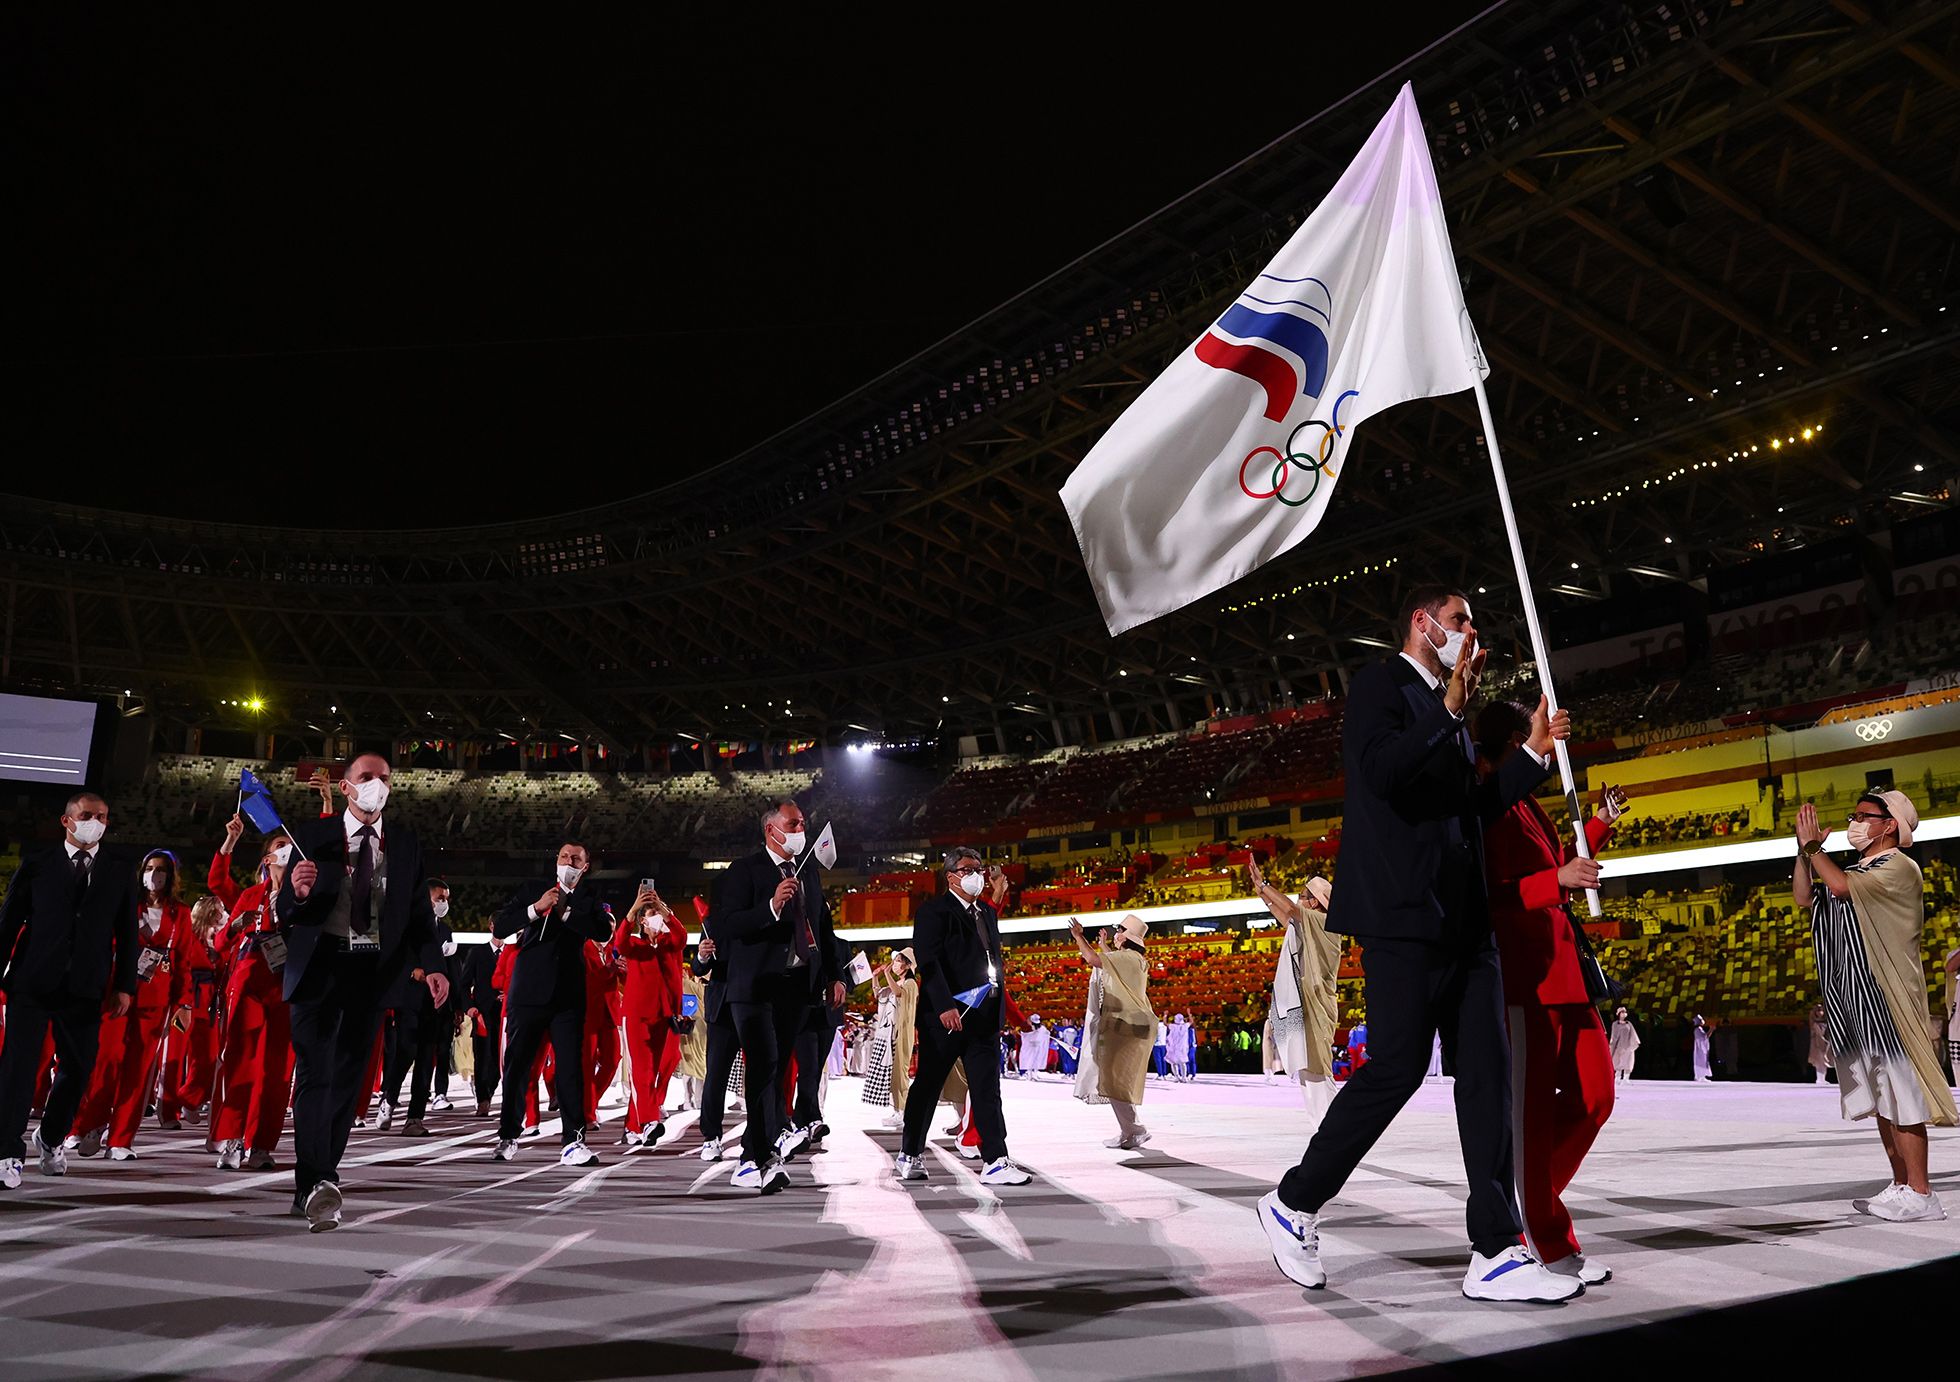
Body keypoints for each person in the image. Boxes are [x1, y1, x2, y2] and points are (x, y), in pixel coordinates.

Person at [1256, 585, 1580, 1303]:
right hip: (1402, 915)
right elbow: (1381, 773)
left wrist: (1531, 754)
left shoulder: (1445, 710)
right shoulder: (1383, 685)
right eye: (1460, 620)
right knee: (1396, 1071)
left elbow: (1468, 808)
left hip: (1464, 919)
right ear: (1421, 621)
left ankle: (1495, 1248)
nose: (1470, 633)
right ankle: (1294, 1200)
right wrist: (1450, 709)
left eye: (1473, 624)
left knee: (1488, 1075)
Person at [1477, 699, 1626, 1285]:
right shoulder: (1485, 803)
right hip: (1526, 978)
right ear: (1512, 743)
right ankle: (1544, 1238)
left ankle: (1531, 1200)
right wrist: (1555, 881)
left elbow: (1561, 867)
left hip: (1565, 974)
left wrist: (1600, 823)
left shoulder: (1527, 803)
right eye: (1532, 738)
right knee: (1531, 1119)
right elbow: (1490, 896)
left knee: (1596, 1098)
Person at [276, 752, 446, 1230]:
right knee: (315, 1075)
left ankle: (316, 1181)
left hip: (373, 972)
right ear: (346, 787)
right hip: (320, 968)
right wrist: (298, 894)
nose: (377, 785)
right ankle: (317, 1181)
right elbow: (286, 909)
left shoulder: (405, 843)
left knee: (348, 1082)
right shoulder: (313, 836)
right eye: (367, 777)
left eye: (384, 778)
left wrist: (434, 966)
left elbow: (419, 915)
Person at [1793, 791, 1957, 1221]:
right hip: (1854, 997)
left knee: (1901, 1094)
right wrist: (1803, 852)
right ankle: (1901, 1185)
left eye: (1864, 816)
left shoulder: (1898, 867)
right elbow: (1805, 898)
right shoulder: (1854, 869)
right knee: (1883, 1096)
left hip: (1886, 997)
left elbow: (1839, 887)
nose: (1856, 823)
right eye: (1855, 815)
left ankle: (1922, 1192)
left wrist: (1815, 848)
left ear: (1890, 824)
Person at [0, 791, 139, 1190]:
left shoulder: (119, 869)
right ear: (67, 820)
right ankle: (7, 1152)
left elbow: (127, 933)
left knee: (78, 1069)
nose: (96, 822)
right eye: (88, 815)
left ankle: (51, 1136)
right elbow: (8, 923)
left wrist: (124, 985)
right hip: (32, 981)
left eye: (103, 816)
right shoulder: (37, 863)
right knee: (18, 1069)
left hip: (85, 986)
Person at [707, 800, 844, 1192]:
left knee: (777, 1069)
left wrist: (835, 975)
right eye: (794, 823)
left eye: (802, 823)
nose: (802, 829)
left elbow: (823, 926)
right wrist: (770, 906)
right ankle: (761, 1158)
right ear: (772, 830)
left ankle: (754, 1154)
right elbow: (727, 925)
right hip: (753, 987)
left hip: (796, 986)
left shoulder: (808, 872)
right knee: (764, 1065)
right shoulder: (744, 870)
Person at [895, 846, 1030, 1187]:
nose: (976, 875)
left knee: (987, 1089)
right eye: (968, 869)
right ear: (951, 876)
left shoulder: (986, 913)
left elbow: (992, 961)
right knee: (928, 1085)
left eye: (979, 869)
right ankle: (910, 1152)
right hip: (946, 1017)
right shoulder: (933, 911)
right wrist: (944, 1005)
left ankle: (995, 1159)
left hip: (983, 1015)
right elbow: (928, 961)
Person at [490, 841, 611, 1167]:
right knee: (517, 1067)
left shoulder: (589, 897)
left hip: (568, 996)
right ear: (556, 860)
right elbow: (502, 925)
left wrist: (567, 912)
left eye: (576, 859)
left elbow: (603, 931)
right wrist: (536, 907)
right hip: (528, 992)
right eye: (564, 857)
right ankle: (508, 1135)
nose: (569, 862)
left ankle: (573, 1141)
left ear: (585, 866)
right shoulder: (534, 889)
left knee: (571, 1070)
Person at [69, 849, 195, 1161]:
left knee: (138, 1070)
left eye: (161, 869)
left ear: (171, 875)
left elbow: (184, 963)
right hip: (117, 992)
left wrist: (184, 1003)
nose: (155, 874)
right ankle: (89, 1124)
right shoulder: (126, 905)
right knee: (106, 1061)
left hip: (156, 998)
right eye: (149, 868)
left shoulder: (180, 913)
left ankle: (121, 1138)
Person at [1250, 861, 1340, 1123]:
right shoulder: (1308, 924)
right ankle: (1324, 1126)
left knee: (1318, 1068)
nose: (1299, 899)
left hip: (1317, 1004)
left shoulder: (1324, 922)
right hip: (1306, 1003)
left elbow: (1289, 910)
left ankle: (1333, 1125)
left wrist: (1265, 884)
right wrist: (1262, 893)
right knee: (1308, 1067)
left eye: (1303, 895)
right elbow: (1286, 916)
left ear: (1315, 902)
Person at [1071, 914, 1155, 1150]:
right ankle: (1131, 1129)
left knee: (1114, 1081)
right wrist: (1103, 945)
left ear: (1126, 937)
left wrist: (1078, 937)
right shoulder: (1134, 959)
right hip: (1132, 1024)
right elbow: (1112, 965)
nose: (1116, 934)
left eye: (1119, 931)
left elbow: (1092, 959)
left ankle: (1134, 1130)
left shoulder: (1127, 958)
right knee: (1116, 1080)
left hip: (1125, 1025)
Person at [614, 886, 686, 1148]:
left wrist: (665, 912)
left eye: (659, 912)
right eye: (652, 913)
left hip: (667, 1017)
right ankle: (648, 1122)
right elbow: (620, 942)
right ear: (642, 921)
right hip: (637, 1017)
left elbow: (681, 936)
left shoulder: (670, 945)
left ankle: (635, 1125)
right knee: (642, 1073)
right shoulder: (634, 946)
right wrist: (634, 908)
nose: (658, 917)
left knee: (659, 1070)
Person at [459, 933, 505, 1116]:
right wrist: (468, 1007)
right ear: (492, 927)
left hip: (505, 1015)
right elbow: (464, 984)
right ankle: (482, 1100)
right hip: (482, 1015)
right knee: (482, 1058)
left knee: (499, 1059)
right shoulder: (477, 952)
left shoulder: (511, 952)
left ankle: (489, 1091)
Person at [1608, 1007, 1641, 1081]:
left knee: (1628, 1062)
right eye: (1622, 1012)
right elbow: (1614, 1036)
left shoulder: (1628, 1024)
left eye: (1625, 1012)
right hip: (1618, 1047)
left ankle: (1626, 1077)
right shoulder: (1615, 1024)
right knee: (1618, 1062)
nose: (1624, 1013)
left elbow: (1632, 1034)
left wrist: (1633, 1044)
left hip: (1628, 1046)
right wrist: (1612, 1045)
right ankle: (1617, 1077)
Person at [1804, 1002, 1832, 1085]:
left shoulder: (1826, 1022)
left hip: (1825, 1044)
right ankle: (1819, 1079)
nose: (1820, 1013)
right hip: (1817, 1044)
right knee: (1819, 1062)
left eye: (1821, 1011)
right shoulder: (1814, 1023)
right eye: (1818, 1011)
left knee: (1824, 1062)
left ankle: (1823, 1079)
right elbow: (1817, 1033)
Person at [1017, 1014, 1051, 1081]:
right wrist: (1023, 1035)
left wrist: (1024, 1035)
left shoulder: (1042, 1029)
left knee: (1034, 1060)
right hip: (1032, 1047)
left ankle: (1033, 1075)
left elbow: (1034, 1036)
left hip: (1036, 1047)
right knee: (1031, 1060)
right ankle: (1031, 1075)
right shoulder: (1036, 1028)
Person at [1689, 1015, 1713, 1082]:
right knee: (1701, 1061)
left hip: (1701, 1049)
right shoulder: (1698, 1030)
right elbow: (1704, 1038)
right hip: (1700, 1049)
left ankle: (1702, 1076)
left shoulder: (1699, 1029)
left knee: (1703, 1061)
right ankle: (1699, 1076)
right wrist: (1711, 1030)